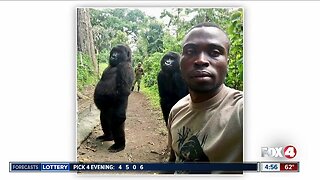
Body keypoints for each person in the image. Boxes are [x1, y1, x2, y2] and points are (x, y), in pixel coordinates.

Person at [167, 22, 243, 174]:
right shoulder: (177, 110)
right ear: (181, 63)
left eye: (215, 52)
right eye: (190, 51)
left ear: (227, 63)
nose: (201, 60)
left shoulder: (240, 110)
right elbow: (173, 160)